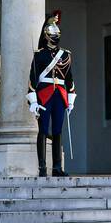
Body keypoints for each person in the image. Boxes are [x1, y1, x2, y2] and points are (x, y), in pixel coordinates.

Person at [28, 11, 76, 176]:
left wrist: (71, 100)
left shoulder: (66, 55)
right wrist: (33, 101)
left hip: (60, 96)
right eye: (52, 34)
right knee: (43, 129)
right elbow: (32, 79)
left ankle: (57, 167)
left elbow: (69, 79)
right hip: (44, 95)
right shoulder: (39, 54)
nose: (55, 37)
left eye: (57, 34)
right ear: (46, 36)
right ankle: (42, 167)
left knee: (57, 130)